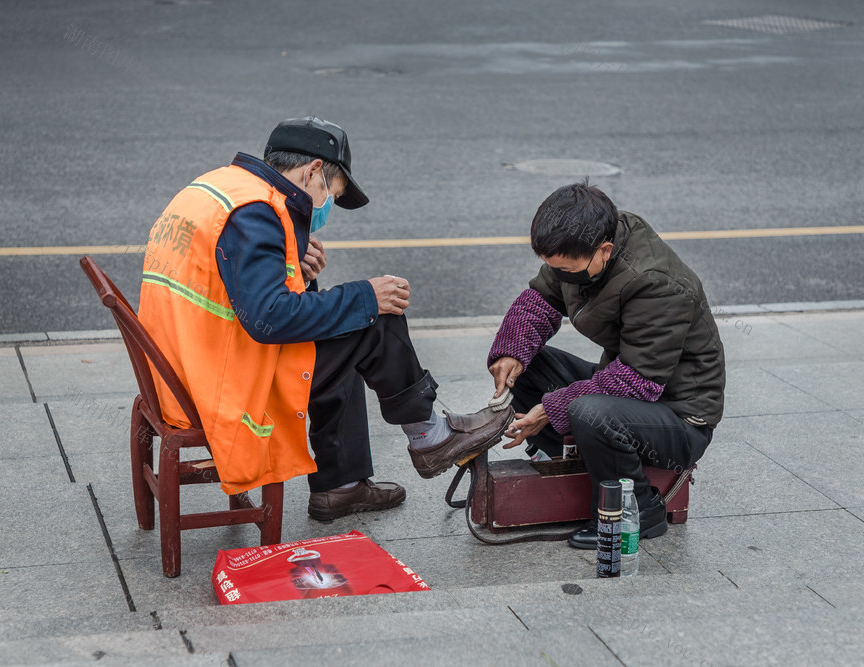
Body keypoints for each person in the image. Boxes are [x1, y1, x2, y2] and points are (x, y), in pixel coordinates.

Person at [138, 116, 512, 522]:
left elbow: (231, 286)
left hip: (183, 365)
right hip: (220, 383)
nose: (324, 204)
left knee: (345, 323)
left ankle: (342, 485)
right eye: (329, 192)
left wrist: (295, 271)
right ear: (313, 170)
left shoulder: (220, 187)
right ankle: (429, 437)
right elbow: (269, 319)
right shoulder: (256, 212)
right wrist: (367, 296)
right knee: (374, 319)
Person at [488, 181, 725, 545]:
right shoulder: (578, 243)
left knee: (588, 411)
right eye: (553, 266)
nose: (560, 274)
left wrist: (551, 409)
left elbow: (637, 382)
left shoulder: (655, 283)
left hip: (679, 418)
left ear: (605, 250)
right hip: (631, 393)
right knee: (527, 364)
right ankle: (581, 462)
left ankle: (639, 511)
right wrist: (510, 352)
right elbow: (539, 300)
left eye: (566, 268)